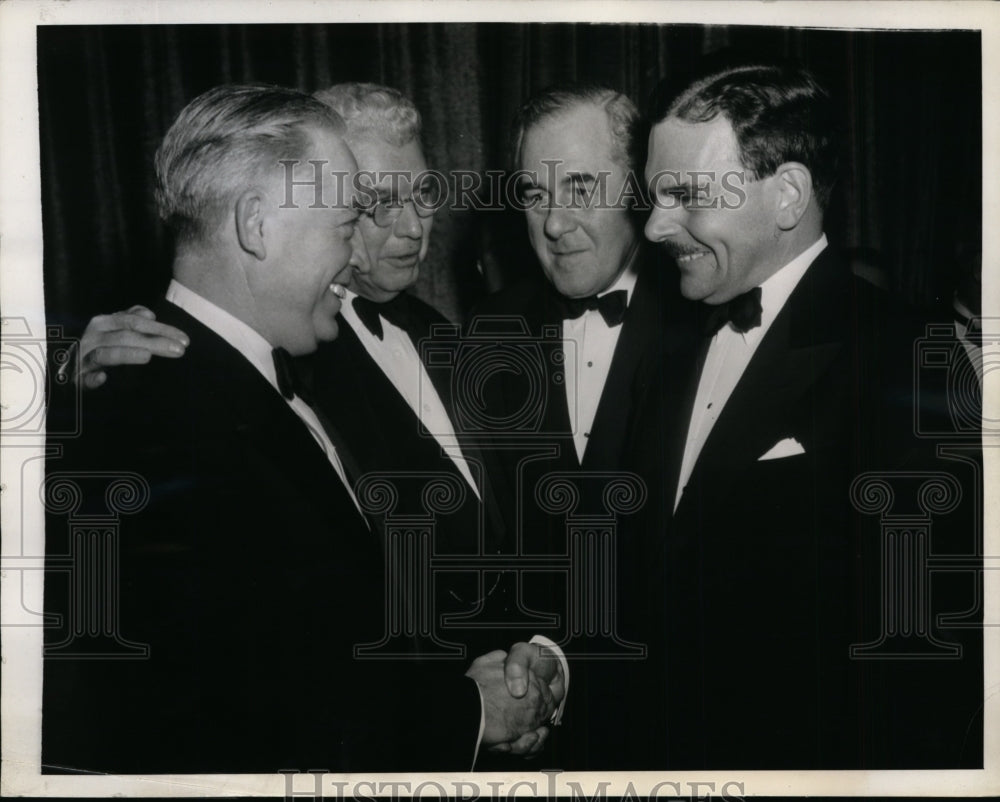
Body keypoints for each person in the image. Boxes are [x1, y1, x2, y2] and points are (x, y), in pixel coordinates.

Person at [43, 84, 562, 775]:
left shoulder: (242, 378)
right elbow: (226, 721)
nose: (356, 257)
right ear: (258, 226)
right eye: (348, 222)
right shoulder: (157, 411)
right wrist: (469, 712)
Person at [637, 61, 982, 768]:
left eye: (685, 196)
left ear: (787, 194)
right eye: (652, 195)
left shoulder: (908, 354)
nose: (653, 225)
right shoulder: (667, 347)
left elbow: (923, 660)